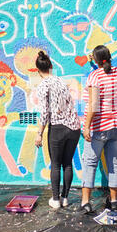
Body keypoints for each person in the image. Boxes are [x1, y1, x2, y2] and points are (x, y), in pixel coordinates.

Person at [80, 45, 117, 213]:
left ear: (96, 59)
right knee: (114, 163)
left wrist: (86, 126)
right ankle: (114, 201)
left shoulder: (94, 76)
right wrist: (96, 59)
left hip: (100, 127)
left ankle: (85, 202)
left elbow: (94, 104)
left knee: (90, 162)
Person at [34, 51, 81, 209]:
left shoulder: (43, 85)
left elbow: (44, 112)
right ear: (51, 66)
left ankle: (55, 200)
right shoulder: (61, 81)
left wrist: (39, 133)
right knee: (67, 164)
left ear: (37, 70)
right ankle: (65, 198)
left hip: (58, 128)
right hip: (74, 127)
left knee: (55, 164)